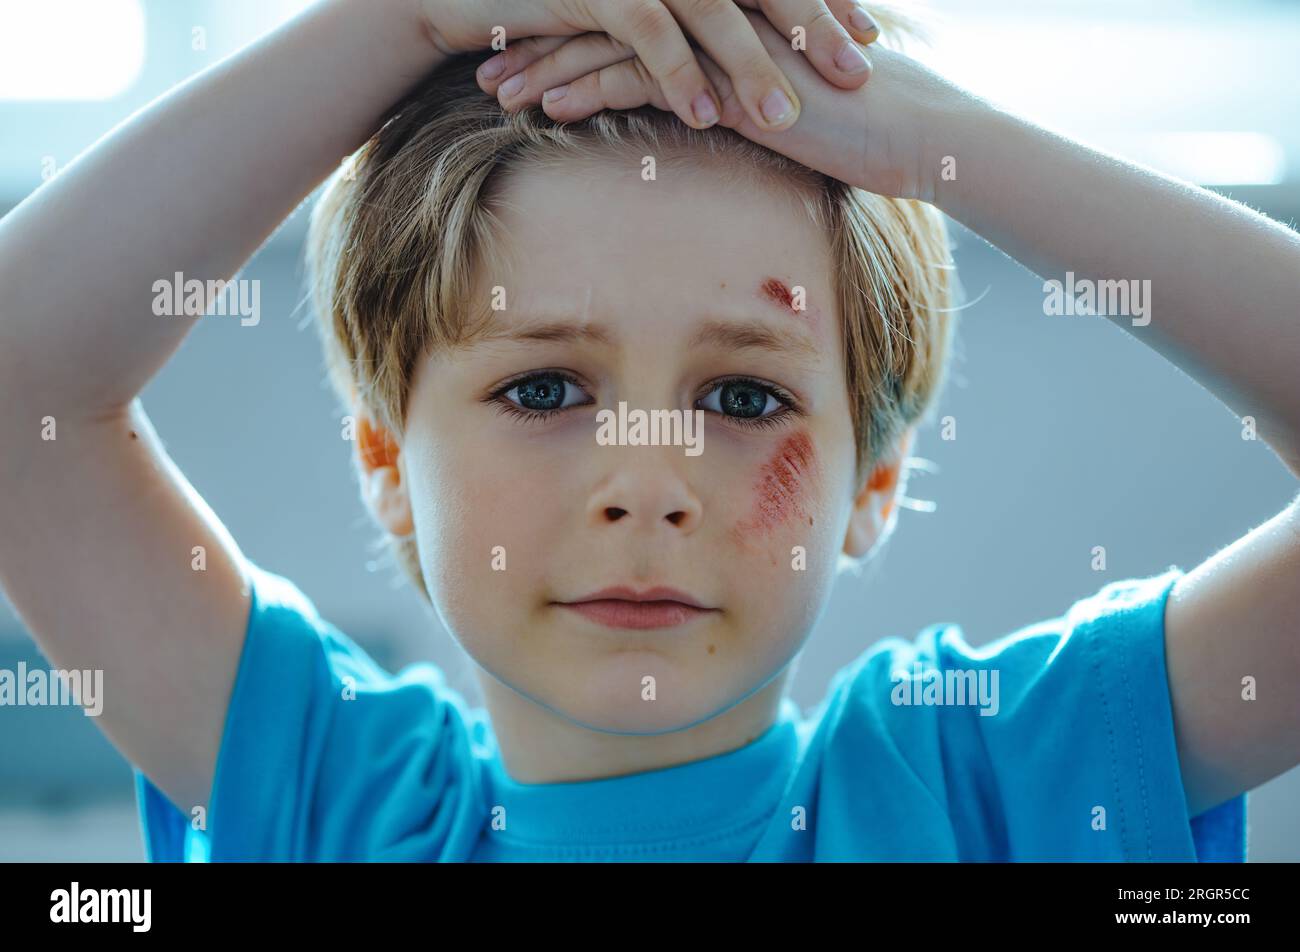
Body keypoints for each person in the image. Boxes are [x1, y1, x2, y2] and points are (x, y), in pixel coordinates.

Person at [0, 0, 1295, 861]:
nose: (645, 487)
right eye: (546, 389)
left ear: (875, 480)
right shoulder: (331, 798)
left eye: (744, 401)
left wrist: (942, 142)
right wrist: (404, 18)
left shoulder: (989, 785)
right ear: (388, 462)